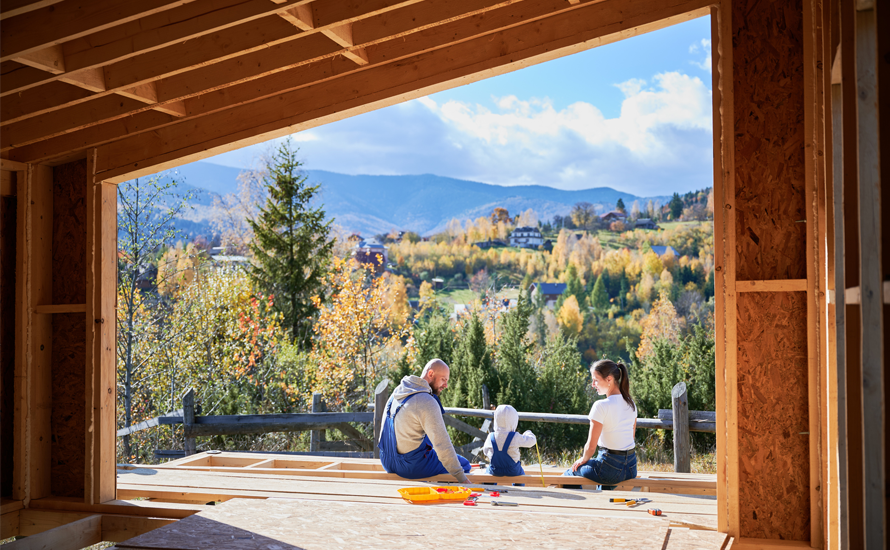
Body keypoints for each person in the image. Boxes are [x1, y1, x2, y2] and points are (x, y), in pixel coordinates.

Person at [378, 358, 471, 483]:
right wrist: (462, 477)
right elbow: (442, 444)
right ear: (431, 374)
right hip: (411, 466)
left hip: (386, 460)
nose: (446, 385)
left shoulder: (397, 393)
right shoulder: (426, 401)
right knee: (464, 464)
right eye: (443, 379)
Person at [563, 359, 637, 489]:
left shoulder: (601, 406)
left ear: (609, 379)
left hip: (610, 469)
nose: (593, 384)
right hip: (631, 468)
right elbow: (631, 438)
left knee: (569, 475)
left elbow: (591, 447)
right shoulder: (631, 404)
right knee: (604, 480)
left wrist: (582, 460)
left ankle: (577, 508)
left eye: (595, 380)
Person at [482, 404, 537, 477]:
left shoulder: (491, 436)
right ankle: (520, 486)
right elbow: (531, 441)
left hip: (495, 469)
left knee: (488, 472)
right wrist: (528, 433)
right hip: (513, 470)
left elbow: (485, 451)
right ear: (514, 421)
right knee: (521, 474)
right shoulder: (515, 436)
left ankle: (489, 486)